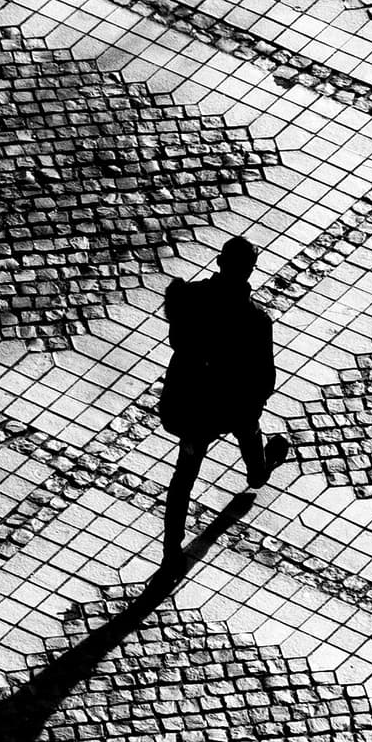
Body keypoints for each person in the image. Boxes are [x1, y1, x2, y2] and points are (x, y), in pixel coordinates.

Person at [158, 236, 288, 566]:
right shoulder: (255, 320)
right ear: (250, 271)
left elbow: (176, 340)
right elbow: (264, 377)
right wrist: (254, 400)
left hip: (188, 403)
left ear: (219, 262)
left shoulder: (189, 297)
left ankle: (172, 547)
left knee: (183, 477)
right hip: (228, 405)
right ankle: (257, 471)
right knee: (248, 424)